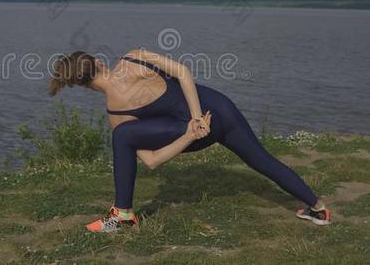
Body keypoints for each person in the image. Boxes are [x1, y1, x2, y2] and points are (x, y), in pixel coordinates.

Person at [47, 49, 332, 233]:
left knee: (122, 136)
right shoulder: (134, 57)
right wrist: (196, 119)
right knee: (262, 160)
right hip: (219, 108)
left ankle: (122, 214)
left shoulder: (116, 113)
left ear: (83, 86)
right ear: (98, 61)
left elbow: (152, 161)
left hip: (194, 129)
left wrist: (190, 131)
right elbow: (183, 71)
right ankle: (318, 207)